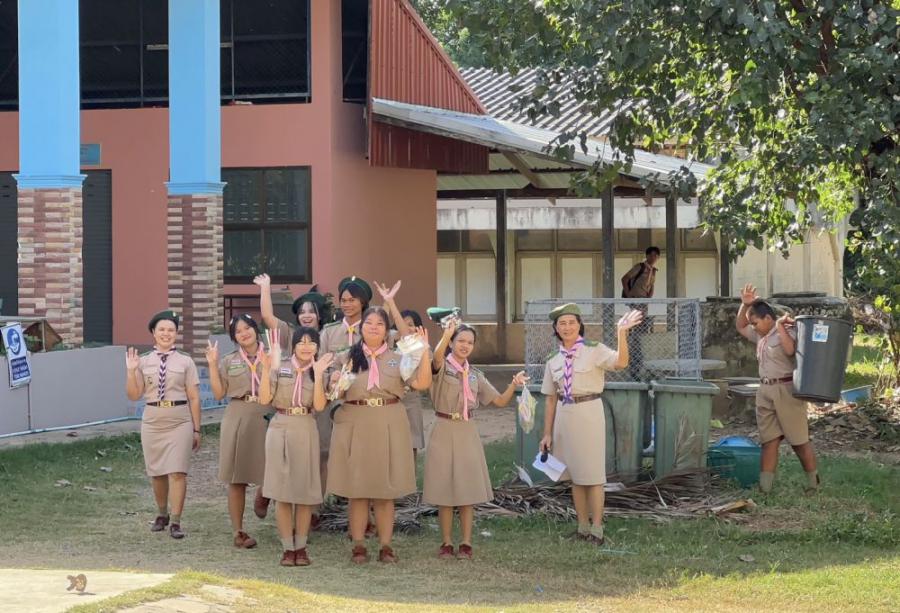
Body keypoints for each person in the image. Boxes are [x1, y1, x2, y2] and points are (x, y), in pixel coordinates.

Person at [327, 306, 432, 564]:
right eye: (369, 322)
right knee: (358, 488)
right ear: (361, 327)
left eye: (379, 324)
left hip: (389, 422)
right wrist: (334, 379)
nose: (374, 327)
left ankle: (386, 545)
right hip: (355, 422)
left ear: (387, 331)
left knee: (385, 489)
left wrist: (424, 353)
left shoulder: (399, 358)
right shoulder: (346, 357)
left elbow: (422, 384)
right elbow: (333, 391)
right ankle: (359, 545)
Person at [538, 303, 643, 545]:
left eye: (571, 322)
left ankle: (597, 529)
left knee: (593, 475)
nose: (567, 327)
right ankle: (582, 526)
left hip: (589, 412)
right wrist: (547, 434)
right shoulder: (553, 359)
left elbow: (621, 362)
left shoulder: (594, 350)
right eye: (562, 324)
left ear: (580, 325)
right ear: (556, 328)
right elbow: (550, 399)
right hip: (564, 416)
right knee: (575, 475)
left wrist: (621, 333)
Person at [425, 320, 528, 560]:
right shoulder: (442, 367)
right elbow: (436, 357)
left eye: (470, 342)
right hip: (443, 427)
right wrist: (446, 334)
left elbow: (499, 401)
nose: (465, 346)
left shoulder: (474, 375)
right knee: (444, 489)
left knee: (467, 488)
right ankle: (446, 542)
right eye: (460, 341)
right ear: (451, 343)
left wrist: (513, 384)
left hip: (467, 430)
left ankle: (466, 542)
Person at [254, 274, 333, 520]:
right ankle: (267, 491)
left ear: (320, 315)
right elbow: (268, 317)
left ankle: (313, 507)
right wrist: (265, 288)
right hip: (287, 400)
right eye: (302, 312)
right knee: (281, 453)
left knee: (321, 454)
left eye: (311, 311)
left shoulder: (329, 335)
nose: (306, 316)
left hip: (318, 401)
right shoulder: (290, 333)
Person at [258, 327, 333, 566]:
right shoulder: (280, 367)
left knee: (303, 491)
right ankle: (287, 548)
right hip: (280, 425)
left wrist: (319, 375)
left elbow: (319, 406)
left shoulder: (320, 370)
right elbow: (264, 399)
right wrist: (265, 369)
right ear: (293, 346)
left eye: (311, 342)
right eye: (301, 342)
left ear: (317, 347)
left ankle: (301, 546)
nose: (306, 346)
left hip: (306, 426)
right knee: (282, 492)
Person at [736, 284, 819, 494]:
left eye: (756, 322)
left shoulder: (786, 330)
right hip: (765, 390)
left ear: (768, 318)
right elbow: (740, 326)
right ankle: (765, 488)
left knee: (798, 441)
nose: (753, 327)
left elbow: (790, 350)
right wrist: (744, 305)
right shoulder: (760, 336)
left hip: (786, 389)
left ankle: (813, 483)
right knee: (769, 441)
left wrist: (781, 326)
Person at [125, 310, 201, 540]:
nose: (166, 334)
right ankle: (162, 513)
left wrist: (197, 428)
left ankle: (176, 521)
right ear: (153, 333)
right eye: (162, 330)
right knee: (157, 472)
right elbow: (134, 395)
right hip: (153, 419)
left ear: (176, 333)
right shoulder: (143, 361)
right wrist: (131, 371)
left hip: (179, 420)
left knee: (177, 471)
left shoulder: (185, 361)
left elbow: (194, 397)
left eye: (171, 330)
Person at [206, 314, 270, 549]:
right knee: (237, 476)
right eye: (238, 331)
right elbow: (218, 393)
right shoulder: (228, 360)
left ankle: (265, 493)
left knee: (276, 468)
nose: (244, 333)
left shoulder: (274, 355)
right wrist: (212, 364)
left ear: (255, 329)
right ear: (234, 338)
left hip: (269, 412)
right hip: (238, 414)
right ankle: (239, 531)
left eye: (247, 328)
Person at [620, 246, 660, 380]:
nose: (654, 258)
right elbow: (624, 278)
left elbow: (651, 286)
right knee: (636, 331)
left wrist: (649, 298)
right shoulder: (640, 267)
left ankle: (639, 361)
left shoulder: (653, 271)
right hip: (636, 302)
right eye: (651, 255)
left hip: (644, 303)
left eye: (656, 256)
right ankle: (634, 364)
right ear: (647, 256)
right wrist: (629, 295)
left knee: (641, 332)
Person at [399, 309, 427, 459]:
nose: (407, 328)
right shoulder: (389, 347)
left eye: (410, 324)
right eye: (402, 324)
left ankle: (411, 473)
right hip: (392, 402)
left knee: (412, 443)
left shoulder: (422, 348)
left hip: (411, 401)